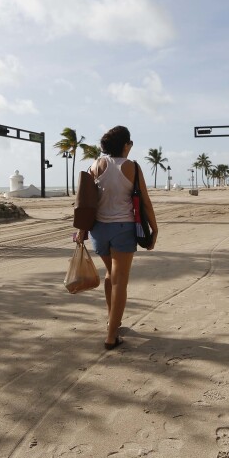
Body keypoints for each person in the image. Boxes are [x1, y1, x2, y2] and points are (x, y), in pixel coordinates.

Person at [86, 126, 158, 351]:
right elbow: (145, 202)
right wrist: (154, 229)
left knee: (110, 275)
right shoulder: (132, 167)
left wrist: (81, 230)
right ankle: (111, 335)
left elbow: (85, 201)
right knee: (119, 281)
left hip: (98, 230)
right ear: (125, 145)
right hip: (123, 228)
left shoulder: (95, 166)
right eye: (130, 143)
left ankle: (112, 320)